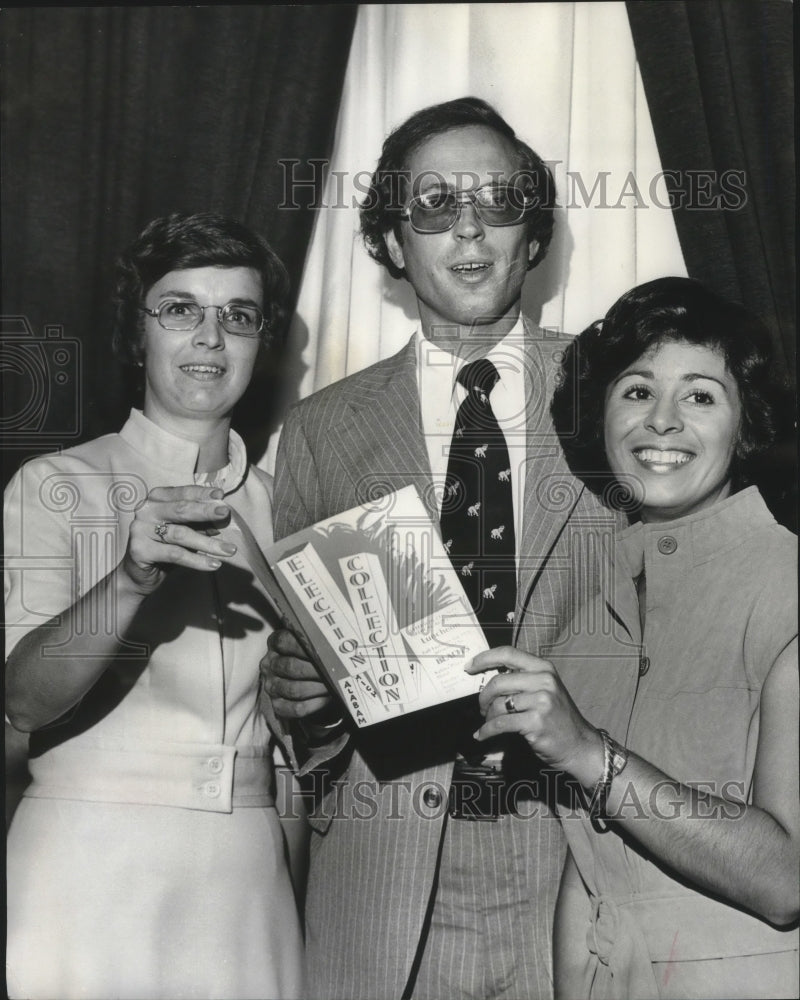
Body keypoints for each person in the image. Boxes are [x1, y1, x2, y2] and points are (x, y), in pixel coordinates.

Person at [262, 97, 615, 999]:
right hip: (382, 874)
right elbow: (304, 690)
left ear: (533, 234)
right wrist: (299, 697)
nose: (468, 227)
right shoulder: (319, 432)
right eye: (433, 204)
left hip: (584, 864)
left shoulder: (622, 397)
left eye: (499, 201)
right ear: (391, 240)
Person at [467, 277, 799, 999]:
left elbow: (786, 879)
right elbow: (590, 882)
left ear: (746, 426)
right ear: (602, 418)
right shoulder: (586, 628)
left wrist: (589, 754)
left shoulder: (789, 585)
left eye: (701, 396)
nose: (664, 422)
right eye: (638, 391)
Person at [4, 212, 305, 1000]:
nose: (210, 337)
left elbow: (295, 755)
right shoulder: (55, 485)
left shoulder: (291, 511)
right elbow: (24, 699)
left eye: (237, 316)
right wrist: (131, 578)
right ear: (138, 334)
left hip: (246, 877)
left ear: (259, 342)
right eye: (180, 309)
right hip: (87, 867)